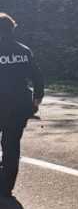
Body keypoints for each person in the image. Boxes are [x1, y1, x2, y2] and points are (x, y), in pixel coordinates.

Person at [0, 13, 44, 197]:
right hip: (20, 104)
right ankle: (6, 187)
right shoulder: (24, 51)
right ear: (12, 29)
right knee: (12, 145)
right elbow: (38, 78)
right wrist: (36, 99)